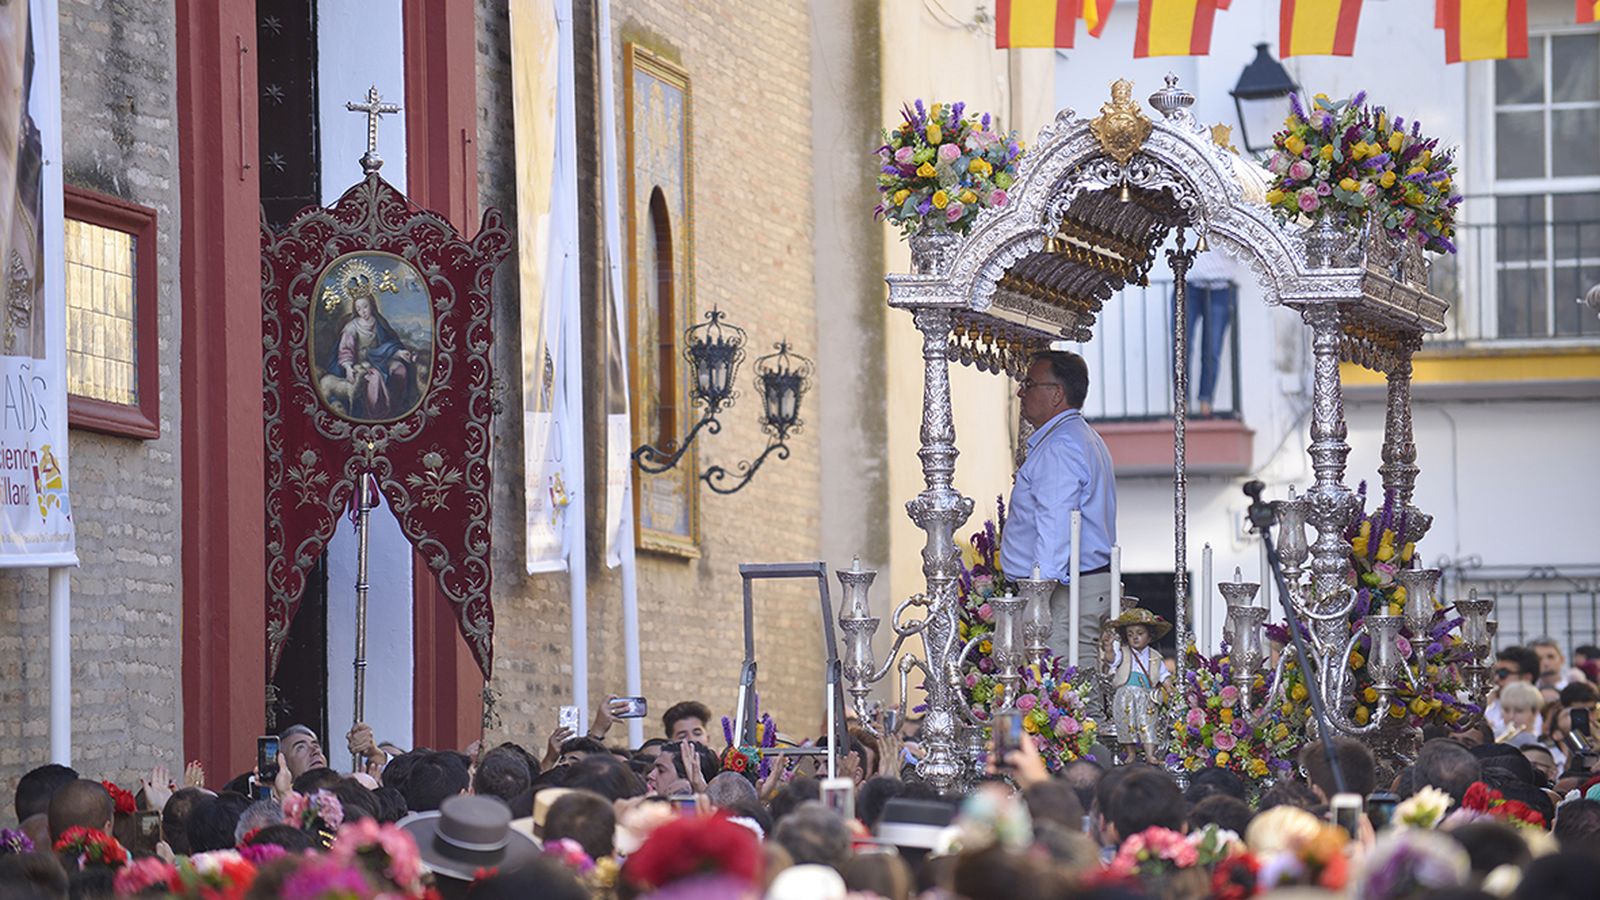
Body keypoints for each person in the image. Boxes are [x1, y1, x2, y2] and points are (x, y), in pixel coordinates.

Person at [1001, 351, 1117, 689]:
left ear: (1056, 394)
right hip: (1075, 588)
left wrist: (1038, 603)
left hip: (1062, 596)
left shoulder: (1060, 448)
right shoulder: (1079, 437)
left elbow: (1055, 529)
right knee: (1073, 697)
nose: (1021, 393)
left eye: (1030, 384)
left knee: (1066, 700)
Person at [324, 274, 419, 420]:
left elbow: (386, 345)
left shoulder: (379, 322)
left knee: (400, 369)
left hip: (380, 359)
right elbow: (345, 350)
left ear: (372, 305)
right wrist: (349, 368)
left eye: (365, 307)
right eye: (359, 308)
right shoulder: (351, 327)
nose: (363, 311)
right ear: (355, 309)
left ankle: (397, 408)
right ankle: (376, 416)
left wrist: (398, 352)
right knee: (374, 379)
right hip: (359, 363)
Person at [1101, 609, 1171, 764]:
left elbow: (1164, 675)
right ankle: (1130, 752)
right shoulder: (1123, 652)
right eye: (1130, 634)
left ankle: (1150, 754)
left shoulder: (1155, 656)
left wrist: (1169, 688)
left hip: (1146, 695)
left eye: (1140, 633)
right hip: (1125, 693)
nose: (1135, 637)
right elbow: (1111, 660)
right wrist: (1108, 648)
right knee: (1127, 723)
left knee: (1148, 723)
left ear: (1150, 636)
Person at [1175, 250, 1236, 417]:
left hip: (1221, 287)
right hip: (1189, 284)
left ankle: (1205, 405)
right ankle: (1182, 405)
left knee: (1212, 350)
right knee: (1181, 348)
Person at [1484, 646, 1540, 735]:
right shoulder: (1489, 703)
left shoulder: (1537, 709)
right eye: (1495, 672)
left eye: (1503, 673)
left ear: (1526, 678)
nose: (1496, 679)